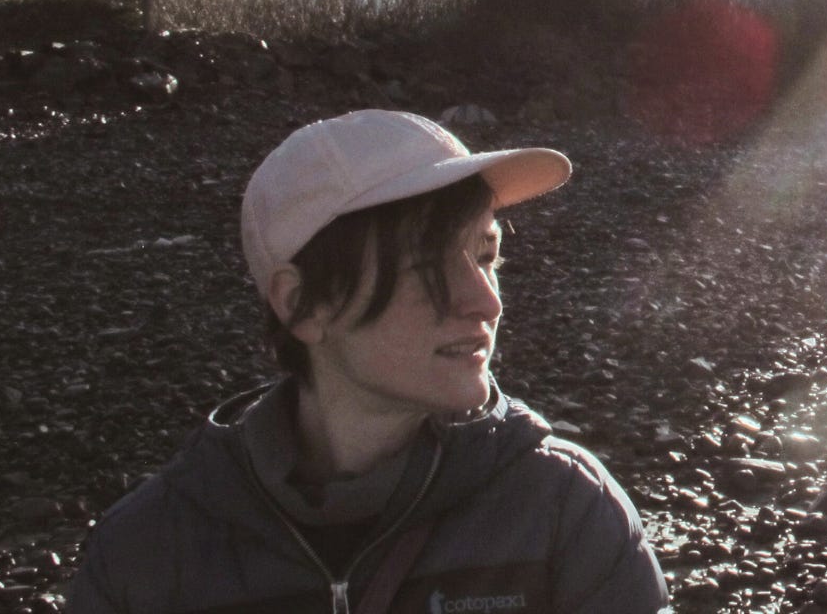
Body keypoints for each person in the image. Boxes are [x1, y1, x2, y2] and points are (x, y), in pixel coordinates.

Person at [68, 109, 668, 613]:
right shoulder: (146, 555)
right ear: (302, 304)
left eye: (486, 255)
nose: (485, 301)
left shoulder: (564, 508)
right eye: (428, 265)